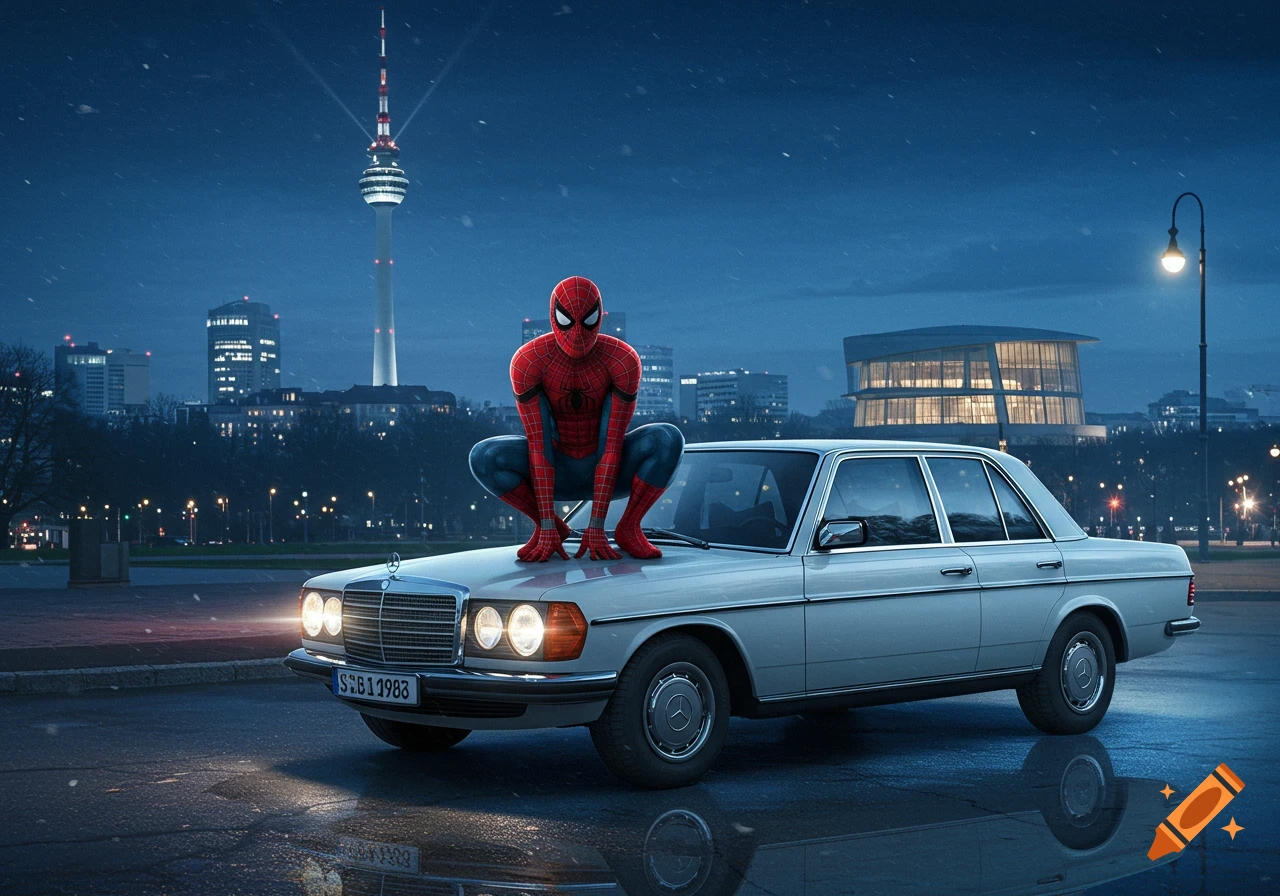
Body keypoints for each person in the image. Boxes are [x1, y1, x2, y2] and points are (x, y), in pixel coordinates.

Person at [469, 276, 683, 561]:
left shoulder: (622, 360)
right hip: (557, 464)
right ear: (554, 317)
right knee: (485, 456)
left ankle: (629, 526)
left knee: (667, 439)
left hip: (608, 463)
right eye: (568, 321)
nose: (578, 333)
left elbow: (612, 445)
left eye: (588, 321)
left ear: (599, 318)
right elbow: (538, 444)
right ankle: (553, 528)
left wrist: (597, 525)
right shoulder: (529, 361)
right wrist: (545, 522)